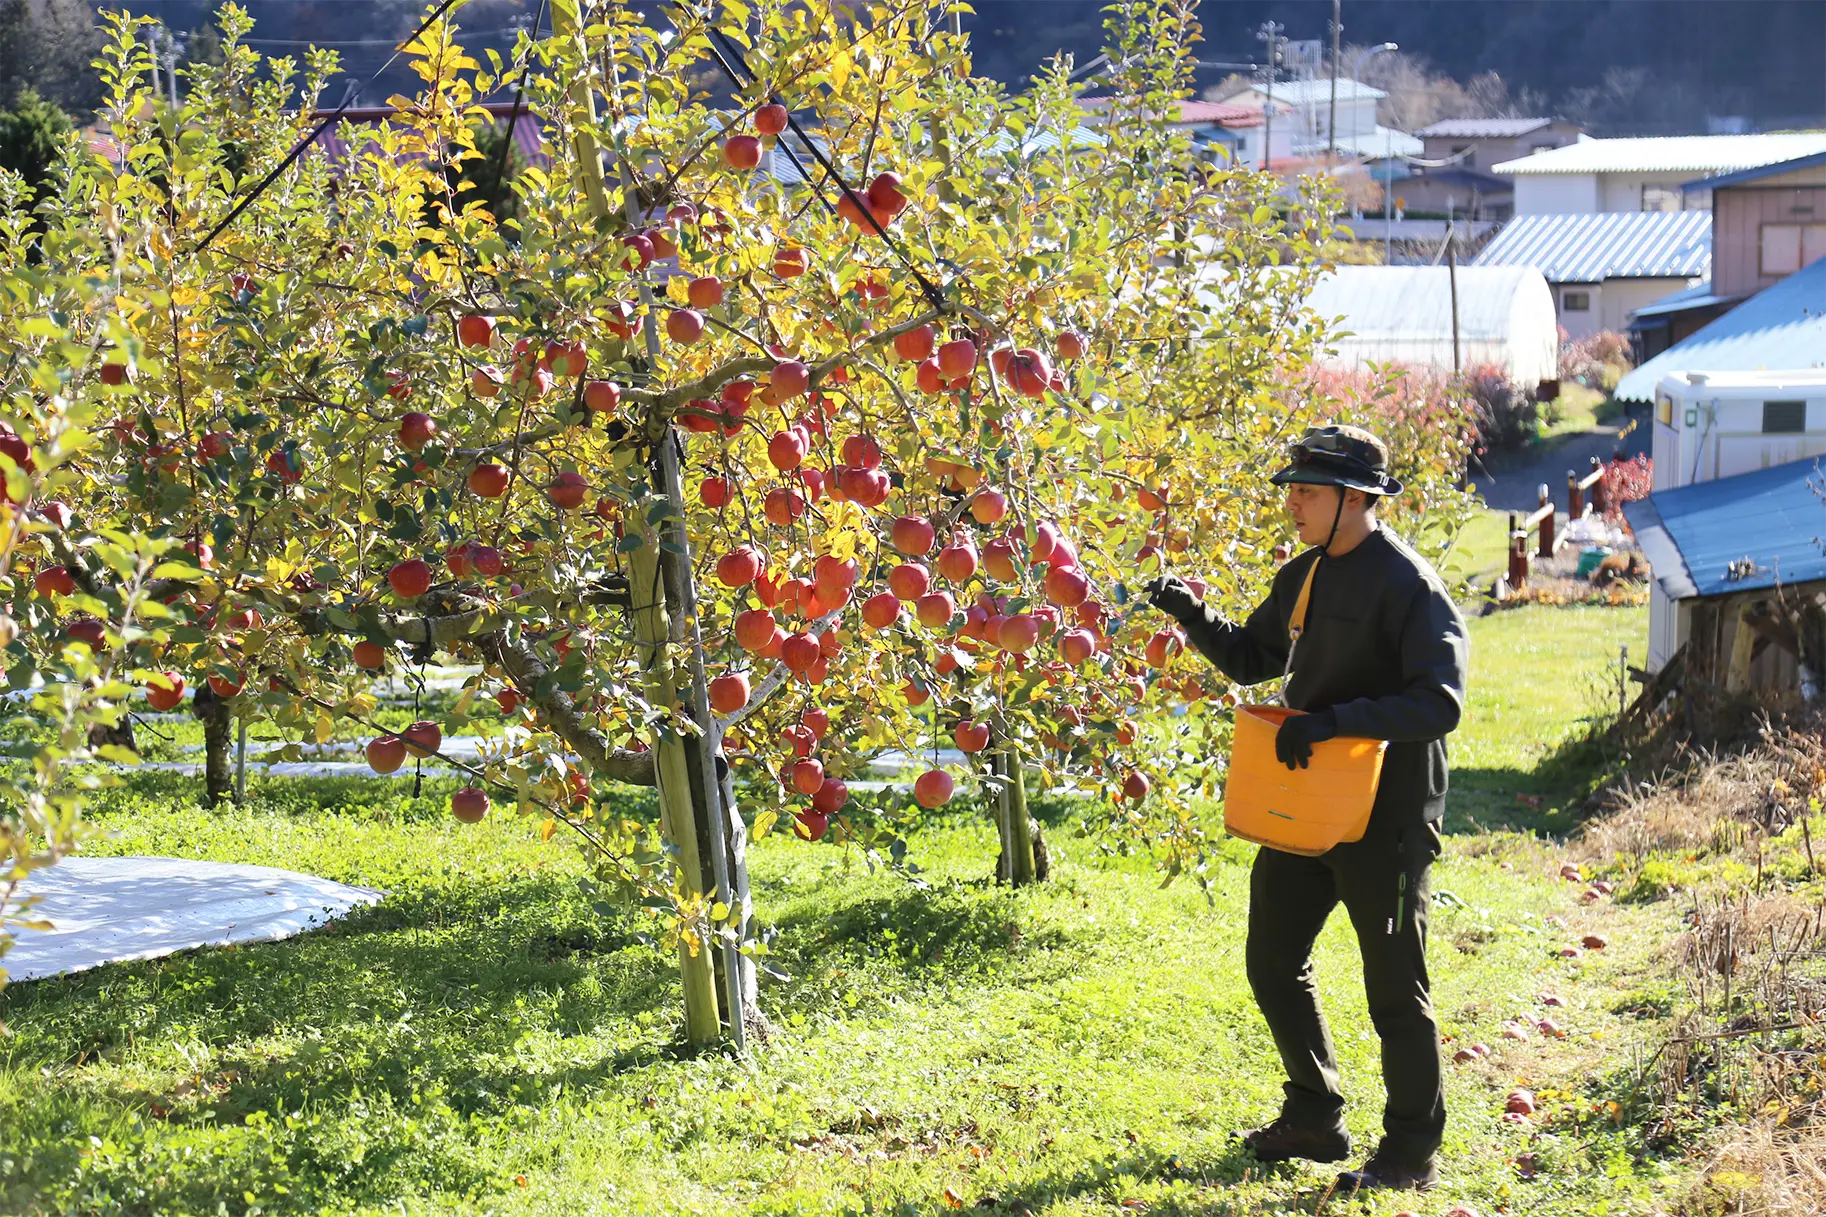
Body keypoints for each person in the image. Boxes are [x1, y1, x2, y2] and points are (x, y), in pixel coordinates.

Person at [1146, 424, 1469, 1195]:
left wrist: (1336, 720)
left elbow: (1440, 701)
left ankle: (1410, 1152)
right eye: (1293, 487)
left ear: (1358, 499)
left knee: (1395, 987)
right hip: (1306, 807)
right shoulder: (1305, 576)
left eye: (1309, 490)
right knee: (1271, 958)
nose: (1293, 501)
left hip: (1385, 818)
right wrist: (1191, 614)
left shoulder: (1410, 586)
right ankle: (1316, 1112)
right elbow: (1256, 656)